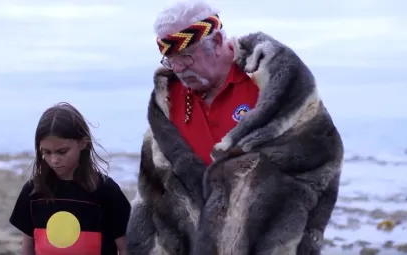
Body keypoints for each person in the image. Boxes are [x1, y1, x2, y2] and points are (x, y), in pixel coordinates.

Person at [126, 1, 343, 254]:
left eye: (186, 57)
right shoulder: (168, 98)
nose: (179, 68)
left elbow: (322, 161)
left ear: (217, 41)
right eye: (170, 60)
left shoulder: (270, 86)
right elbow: (153, 188)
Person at [9, 102, 131, 255]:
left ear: (83, 144)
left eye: (62, 151)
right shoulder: (33, 191)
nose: (54, 160)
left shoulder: (106, 192)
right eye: (46, 152)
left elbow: (126, 247)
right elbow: (27, 247)